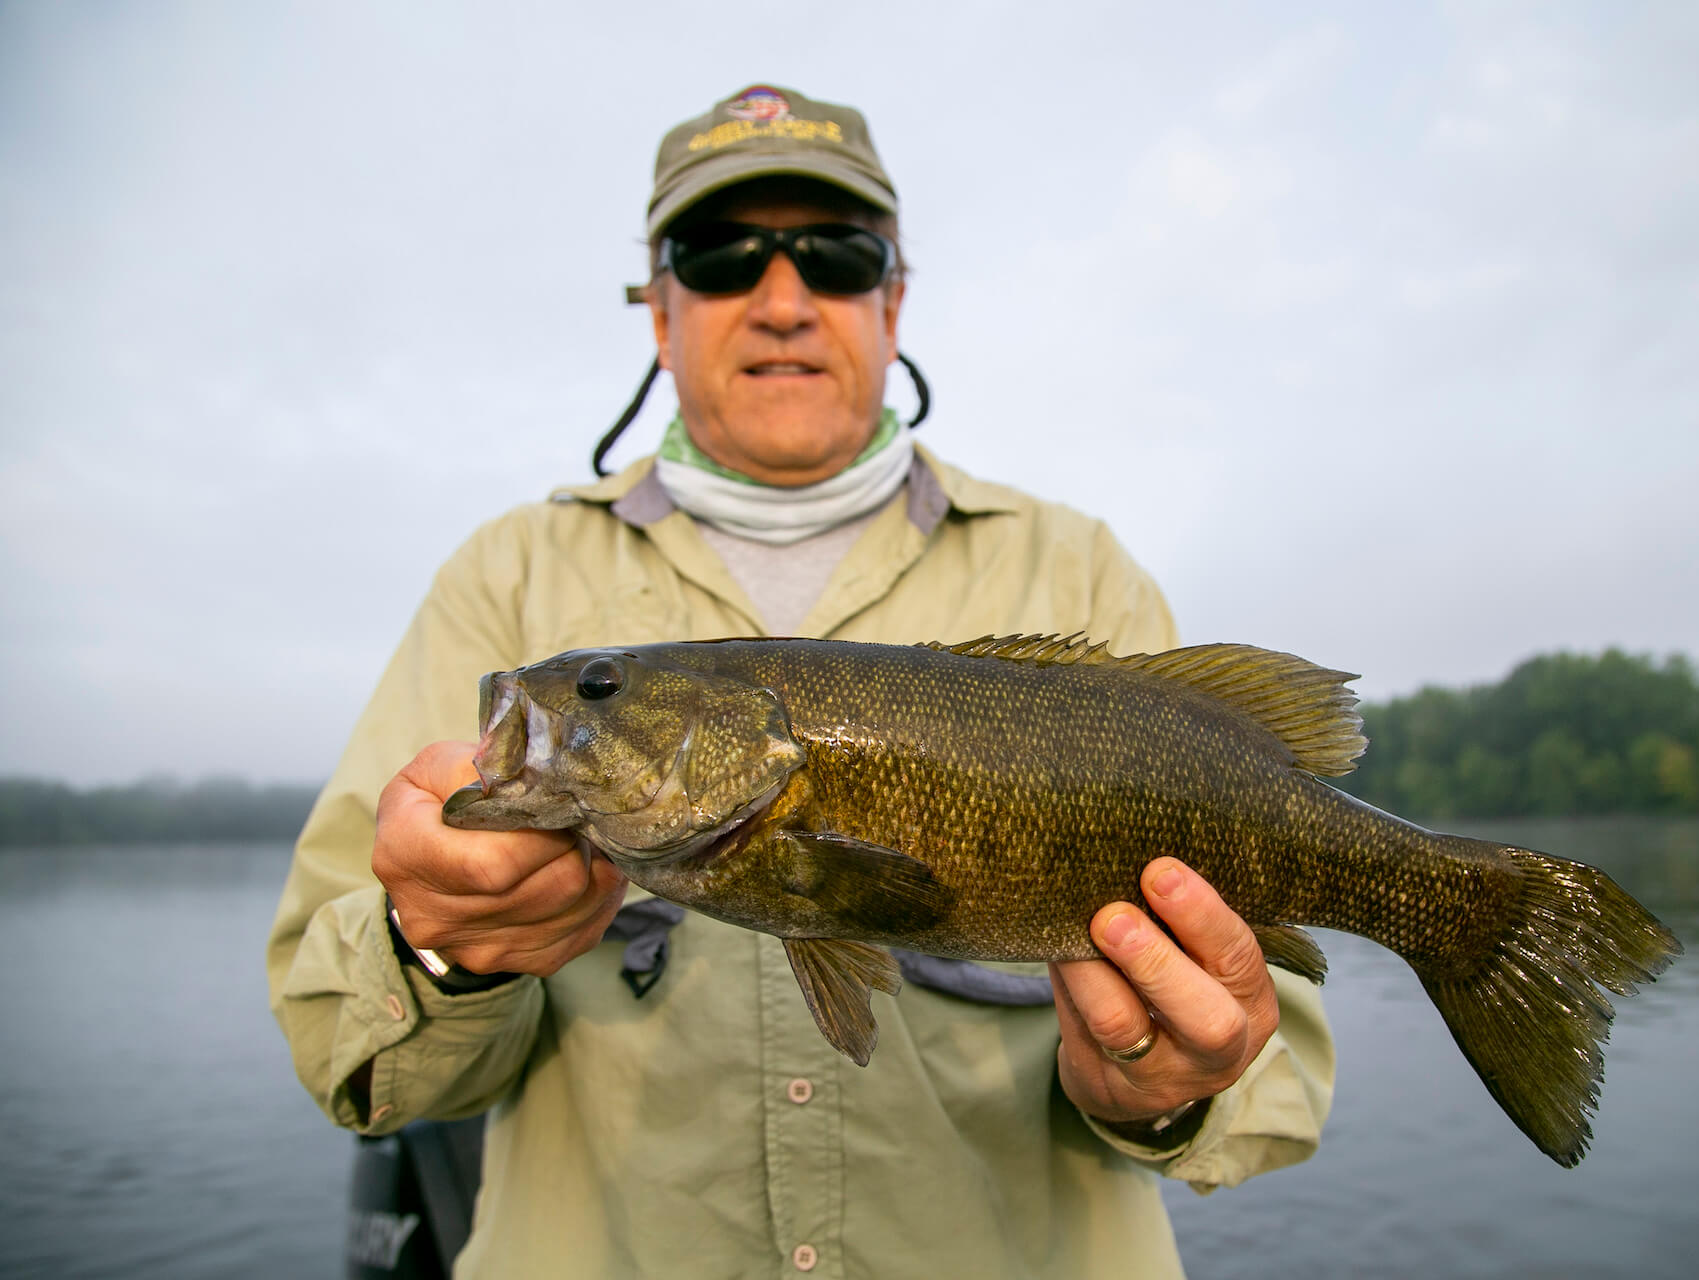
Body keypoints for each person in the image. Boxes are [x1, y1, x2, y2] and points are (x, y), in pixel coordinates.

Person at [269, 83, 1334, 1279]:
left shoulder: (1079, 569)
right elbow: (342, 1056)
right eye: (720, 256)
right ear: (660, 315)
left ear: (892, 300)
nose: (781, 299)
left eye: (834, 254)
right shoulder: (506, 575)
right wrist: (438, 948)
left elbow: (1275, 1085)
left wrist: (1168, 1086)